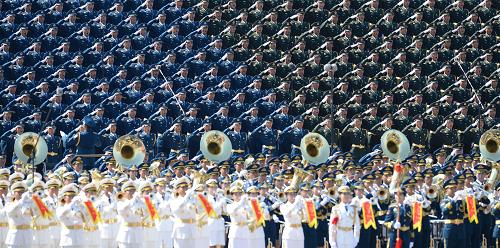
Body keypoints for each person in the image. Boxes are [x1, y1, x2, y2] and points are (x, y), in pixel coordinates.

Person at [170, 177, 197, 247]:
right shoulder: (174, 200)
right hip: (180, 229)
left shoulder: (191, 200)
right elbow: (176, 210)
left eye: (186, 187)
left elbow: (197, 211)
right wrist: (186, 197)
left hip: (191, 229)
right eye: (183, 187)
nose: (185, 189)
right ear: (177, 189)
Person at [227, 183, 251, 248]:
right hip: (235, 231)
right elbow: (232, 211)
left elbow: (251, 215)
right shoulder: (230, 205)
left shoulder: (246, 205)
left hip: (245, 231)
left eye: (240, 194)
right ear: (232, 196)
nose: (238, 196)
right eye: (236, 194)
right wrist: (241, 202)